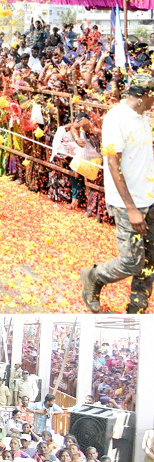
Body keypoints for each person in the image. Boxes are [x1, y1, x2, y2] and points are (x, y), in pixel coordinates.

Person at [80, 73, 154, 314]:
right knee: (132, 261)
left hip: (149, 198)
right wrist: (132, 209)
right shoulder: (117, 118)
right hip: (128, 204)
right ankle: (94, 276)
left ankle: (137, 309)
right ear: (146, 96)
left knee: (150, 260)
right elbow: (113, 164)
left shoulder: (141, 117)